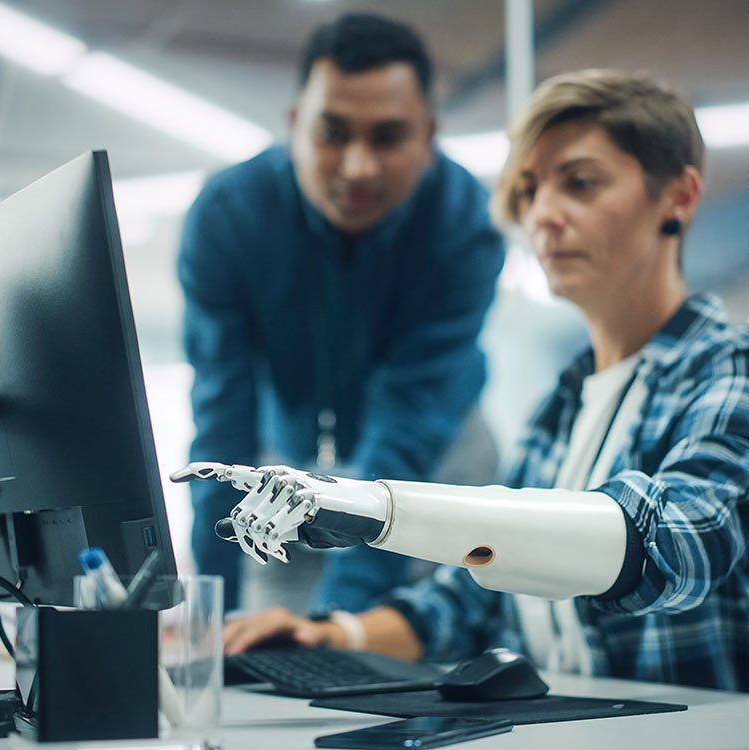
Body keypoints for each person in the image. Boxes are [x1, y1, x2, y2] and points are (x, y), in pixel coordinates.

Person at [174, 69, 749, 692]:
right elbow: (477, 599)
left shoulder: (728, 372)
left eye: (580, 184)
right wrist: (335, 633)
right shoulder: (563, 406)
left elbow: (682, 543)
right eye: (529, 191)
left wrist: (377, 508)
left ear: (680, 198)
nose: (544, 215)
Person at [177, 13, 505, 612]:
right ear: (297, 125)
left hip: (438, 457)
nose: (358, 167)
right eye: (333, 134)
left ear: (428, 138)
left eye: (387, 137)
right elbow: (223, 412)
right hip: (289, 454)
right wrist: (212, 613)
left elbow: (410, 421)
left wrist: (338, 629)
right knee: (259, 624)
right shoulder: (226, 216)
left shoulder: (466, 227)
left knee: (424, 623)